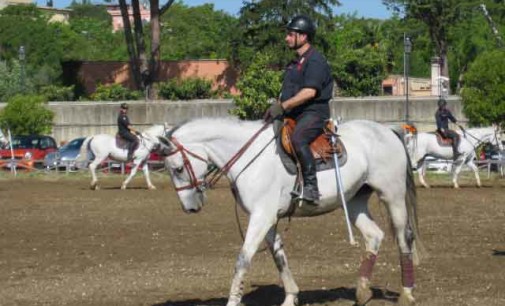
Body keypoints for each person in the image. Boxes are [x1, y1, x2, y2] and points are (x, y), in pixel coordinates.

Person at [263, 15, 334, 205]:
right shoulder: (294, 63)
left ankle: (311, 187)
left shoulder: (316, 61)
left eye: (290, 34)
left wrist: (283, 106)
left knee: (298, 138)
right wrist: (275, 108)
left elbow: (309, 92)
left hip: (313, 114)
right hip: (294, 113)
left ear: (303, 37)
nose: (286, 38)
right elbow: (286, 92)